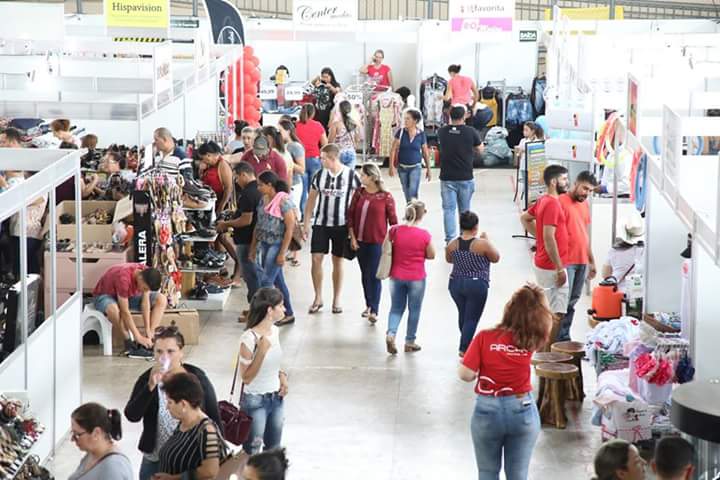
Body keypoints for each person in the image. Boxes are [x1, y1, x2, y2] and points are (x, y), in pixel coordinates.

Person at [458, 284, 553, 480]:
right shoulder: (533, 339)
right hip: (522, 410)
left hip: (487, 411)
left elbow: (465, 374)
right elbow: (547, 323)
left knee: (487, 473)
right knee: (518, 474)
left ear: (508, 310)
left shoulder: (485, 337)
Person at [124, 325, 222, 480]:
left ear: (181, 352)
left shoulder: (196, 378)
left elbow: (213, 416)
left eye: (170, 351)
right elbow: (132, 415)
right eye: (159, 351)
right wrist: (149, 387)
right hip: (154, 457)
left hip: (187, 457)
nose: (164, 357)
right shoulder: (147, 379)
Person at [303, 144, 361, 314]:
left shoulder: (351, 175)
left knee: (338, 260)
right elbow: (311, 200)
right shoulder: (319, 175)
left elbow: (360, 198)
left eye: (323, 158)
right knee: (316, 259)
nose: (320, 160)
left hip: (342, 224)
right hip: (321, 223)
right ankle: (318, 296)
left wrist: (355, 228)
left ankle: (336, 298)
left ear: (332, 158)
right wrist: (307, 222)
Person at [520, 164, 570, 344]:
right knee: (555, 313)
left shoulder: (543, 201)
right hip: (551, 267)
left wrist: (538, 238)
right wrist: (559, 269)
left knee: (551, 310)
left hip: (545, 263)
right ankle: (545, 353)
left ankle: (544, 352)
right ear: (554, 181)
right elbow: (549, 237)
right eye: (564, 179)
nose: (567, 182)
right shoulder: (552, 205)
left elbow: (524, 218)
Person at [238, 287, 289, 454]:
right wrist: (260, 352)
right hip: (255, 401)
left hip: (276, 398)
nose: (284, 309)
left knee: (274, 449)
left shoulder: (275, 331)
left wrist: (282, 376)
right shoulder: (248, 339)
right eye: (281, 306)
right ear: (270, 310)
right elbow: (246, 378)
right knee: (252, 450)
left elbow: (274, 363)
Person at [348, 163, 398, 324]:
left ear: (371, 177)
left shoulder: (386, 197)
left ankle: (374, 309)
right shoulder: (359, 193)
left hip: (377, 242)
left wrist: (394, 242)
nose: (360, 177)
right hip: (360, 241)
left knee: (374, 275)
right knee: (365, 274)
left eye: (363, 175)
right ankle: (368, 303)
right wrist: (353, 237)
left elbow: (393, 222)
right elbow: (350, 215)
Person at [446, 211, 500, 357]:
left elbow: (449, 260)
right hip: (476, 284)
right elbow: (496, 258)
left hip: (455, 283)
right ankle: (464, 348)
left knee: (463, 315)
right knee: (471, 318)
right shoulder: (482, 244)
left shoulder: (452, 244)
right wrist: (488, 241)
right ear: (475, 227)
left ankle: (467, 343)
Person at [155, 372, 226, 480]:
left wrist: (174, 478)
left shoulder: (207, 431)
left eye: (170, 402)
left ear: (183, 404)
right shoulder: (184, 423)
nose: (167, 407)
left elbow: (210, 471)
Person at [385, 200, 435, 354]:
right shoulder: (424, 235)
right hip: (416, 277)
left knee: (396, 307)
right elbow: (431, 255)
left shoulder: (394, 230)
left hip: (396, 276)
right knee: (414, 309)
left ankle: (391, 333)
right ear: (423, 214)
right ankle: (409, 341)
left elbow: (386, 247)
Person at [249, 171, 296, 326]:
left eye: (261, 185)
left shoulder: (284, 201)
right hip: (265, 243)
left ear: (270, 185)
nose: (258, 188)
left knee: (266, 281)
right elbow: (259, 224)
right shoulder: (263, 200)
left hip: (277, 244)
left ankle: (264, 315)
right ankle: (287, 312)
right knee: (278, 281)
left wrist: (282, 253)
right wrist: (253, 246)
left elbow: (290, 228)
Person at [92, 263, 168, 358]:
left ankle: (150, 338)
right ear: (140, 278)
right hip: (105, 295)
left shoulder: (146, 272)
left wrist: (148, 330)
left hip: (128, 296)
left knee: (161, 299)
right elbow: (125, 311)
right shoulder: (124, 278)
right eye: (144, 288)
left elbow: (145, 303)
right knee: (114, 309)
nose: (144, 290)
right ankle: (130, 343)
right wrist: (138, 336)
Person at [217, 162, 262, 320]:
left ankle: (256, 313)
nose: (236, 181)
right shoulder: (257, 189)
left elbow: (246, 220)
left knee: (251, 277)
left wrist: (226, 224)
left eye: (236, 177)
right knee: (253, 276)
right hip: (252, 239)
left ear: (244, 174)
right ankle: (254, 310)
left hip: (247, 240)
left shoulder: (249, 193)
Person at [558, 170, 598, 341]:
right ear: (575, 184)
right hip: (566, 261)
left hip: (581, 260)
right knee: (561, 303)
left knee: (572, 302)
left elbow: (583, 234)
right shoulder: (560, 202)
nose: (586, 193)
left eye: (590, 191)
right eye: (584, 189)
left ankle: (564, 337)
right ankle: (556, 338)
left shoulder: (584, 205)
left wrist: (592, 261)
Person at [438, 105, 484, 243]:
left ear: (449, 116)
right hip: (465, 176)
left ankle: (450, 241)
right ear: (464, 116)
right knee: (464, 211)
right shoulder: (471, 132)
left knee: (448, 210)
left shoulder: (442, 131)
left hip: (447, 177)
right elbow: (480, 150)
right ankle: (465, 238)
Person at [68, 403, 133, 480]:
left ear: (96, 433)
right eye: (72, 433)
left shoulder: (113, 469)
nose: (72, 439)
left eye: (77, 434)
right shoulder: (92, 453)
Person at [389, 108, 432, 203]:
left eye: (408, 119)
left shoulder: (421, 134)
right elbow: (393, 150)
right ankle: (411, 210)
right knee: (406, 191)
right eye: (405, 119)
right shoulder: (400, 132)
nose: (405, 121)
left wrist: (429, 169)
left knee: (413, 190)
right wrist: (391, 166)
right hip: (402, 167)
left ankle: (413, 211)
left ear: (415, 121)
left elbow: (425, 152)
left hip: (415, 167)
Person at [295, 104, 328, 214]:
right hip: (314, 159)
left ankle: (304, 212)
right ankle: (313, 212)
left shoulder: (295, 126)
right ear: (313, 113)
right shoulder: (318, 125)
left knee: (303, 189)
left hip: (300, 160)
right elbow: (325, 144)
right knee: (314, 189)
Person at [602, 212, 645, 293]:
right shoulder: (644, 251)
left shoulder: (613, 250)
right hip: (639, 293)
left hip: (618, 294)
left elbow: (605, 275)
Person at [277, 119, 305, 214]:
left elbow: (302, 169)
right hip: (286, 184)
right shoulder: (285, 146)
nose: (278, 134)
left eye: (280, 131)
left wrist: (288, 162)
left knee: (293, 211)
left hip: (294, 185)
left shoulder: (295, 146)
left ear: (288, 131)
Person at [198, 141, 234, 213]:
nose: (202, 160)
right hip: (208, 203)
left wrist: (221, 207)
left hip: (219, 205)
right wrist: (201, 171)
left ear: (208, 155)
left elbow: (228, 188)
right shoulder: (208, 165)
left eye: (203, 158)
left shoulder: (223, 165)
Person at [328, 100, 358, 171]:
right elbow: (357, 139)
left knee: (338, 176)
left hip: (339, 152)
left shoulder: (336, 124)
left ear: (339, 111)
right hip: (351, 151)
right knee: (349, 177)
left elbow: (330, 141)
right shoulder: (354, 123)